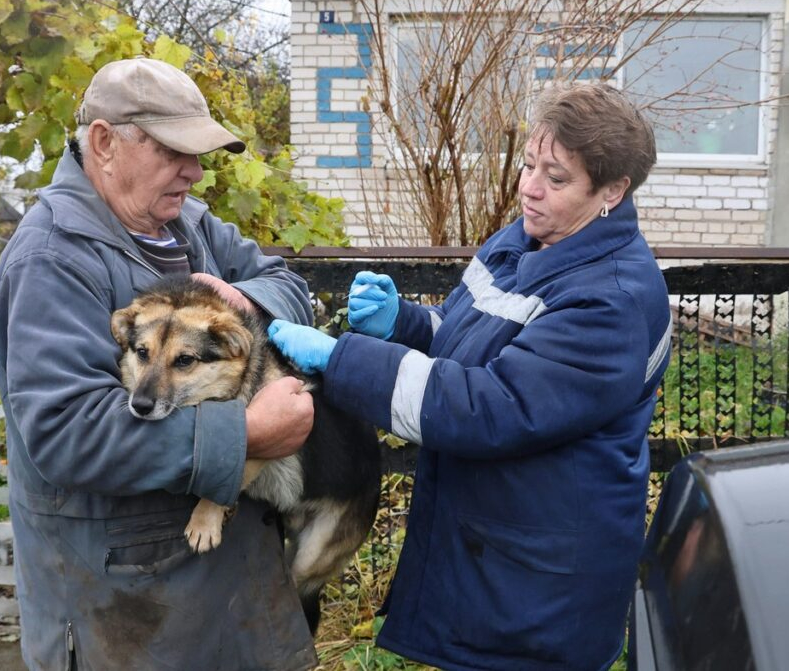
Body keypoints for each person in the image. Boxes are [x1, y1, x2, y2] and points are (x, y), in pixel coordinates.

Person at [268, 82, 672, 670]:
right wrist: (402, 323)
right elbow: (474, 342)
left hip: (541, 585)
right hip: (494, 551)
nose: (529, 188)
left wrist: (341, 360)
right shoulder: (528, 239)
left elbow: (491, 405)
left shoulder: (612, 301)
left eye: (556, 178)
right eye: (530, 165)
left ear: (612, 190)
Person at [0, 58, 319, 671]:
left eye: (197, 155)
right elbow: (67, 435)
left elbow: (287, 283)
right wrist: (245, 435)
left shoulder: (186, 224)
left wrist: (242, 302)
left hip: (228, 598)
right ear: (105, 142)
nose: (194, 172)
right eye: (174, 151)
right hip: (127, 613)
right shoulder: (52, 260)